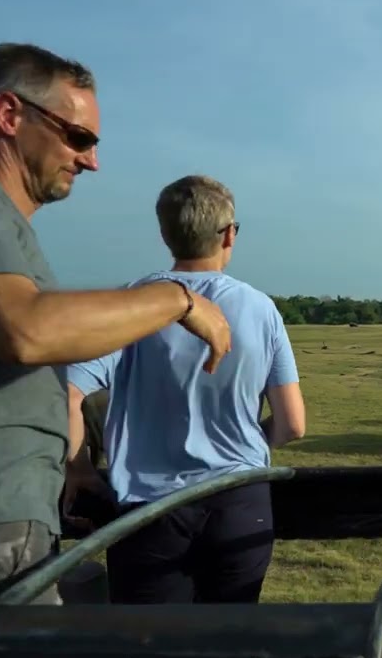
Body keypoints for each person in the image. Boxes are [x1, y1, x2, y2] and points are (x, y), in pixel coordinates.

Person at [0, 42, 232, 606]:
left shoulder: (5, 232)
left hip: (3, 525)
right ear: (10, 116)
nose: (91, 160)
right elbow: (24, 329)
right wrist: (177, 300)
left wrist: (69, 466)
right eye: (78, 137)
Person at [65, 174, 306, 604]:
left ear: (165, 234)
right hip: (240, 503)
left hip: (148, 512)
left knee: (150, 650)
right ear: (229, 234)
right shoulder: (261, 309)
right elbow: (292, 425)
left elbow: (68, 394)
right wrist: (247, 443)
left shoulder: (133, 304)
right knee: (231, 645)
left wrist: (79, 468)